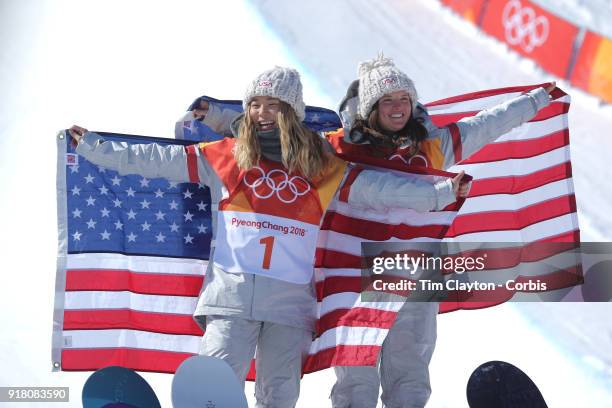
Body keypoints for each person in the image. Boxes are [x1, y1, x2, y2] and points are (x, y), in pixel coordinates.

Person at [68, 66, 467, 408]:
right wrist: (95, 147)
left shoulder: (320, 164)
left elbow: (379, 189)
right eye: (255, 104)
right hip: (231, 299)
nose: (262, 113)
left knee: (278, 396)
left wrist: (440, 193)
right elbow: (154, 160)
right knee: (213, 386)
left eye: (273, 105)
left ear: (290, 111)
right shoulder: (226, 155)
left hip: (290, 309)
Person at [326, 55, 556, 408]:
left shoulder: (431, 147)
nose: (397, 107)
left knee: (411, 374)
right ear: (371, 107)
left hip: (416, 272)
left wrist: (536, 99)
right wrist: (440, 194)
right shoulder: (343, 151)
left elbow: (485, 125)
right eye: (387, 100)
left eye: (404, 99)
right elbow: (375, 189)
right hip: (359, 274)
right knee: (356, 376)